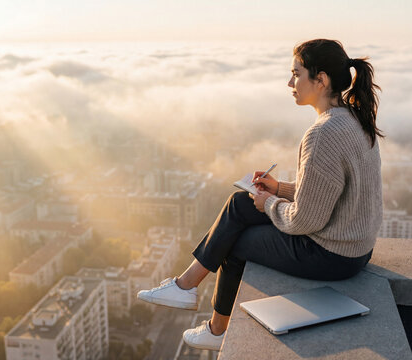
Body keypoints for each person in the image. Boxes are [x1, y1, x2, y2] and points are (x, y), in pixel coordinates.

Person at [137, 39, 384, 351]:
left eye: (297, 74)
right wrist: (278, 189)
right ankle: (185, 285)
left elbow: (304, 220)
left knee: (234, 242)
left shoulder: (323, 135)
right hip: (356, 247)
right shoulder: (354, 119)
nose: (290, 82)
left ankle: (216, 330)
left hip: (333, 255)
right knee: (240, 203)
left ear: (320, 80)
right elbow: (331, 194)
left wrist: (269, 203)